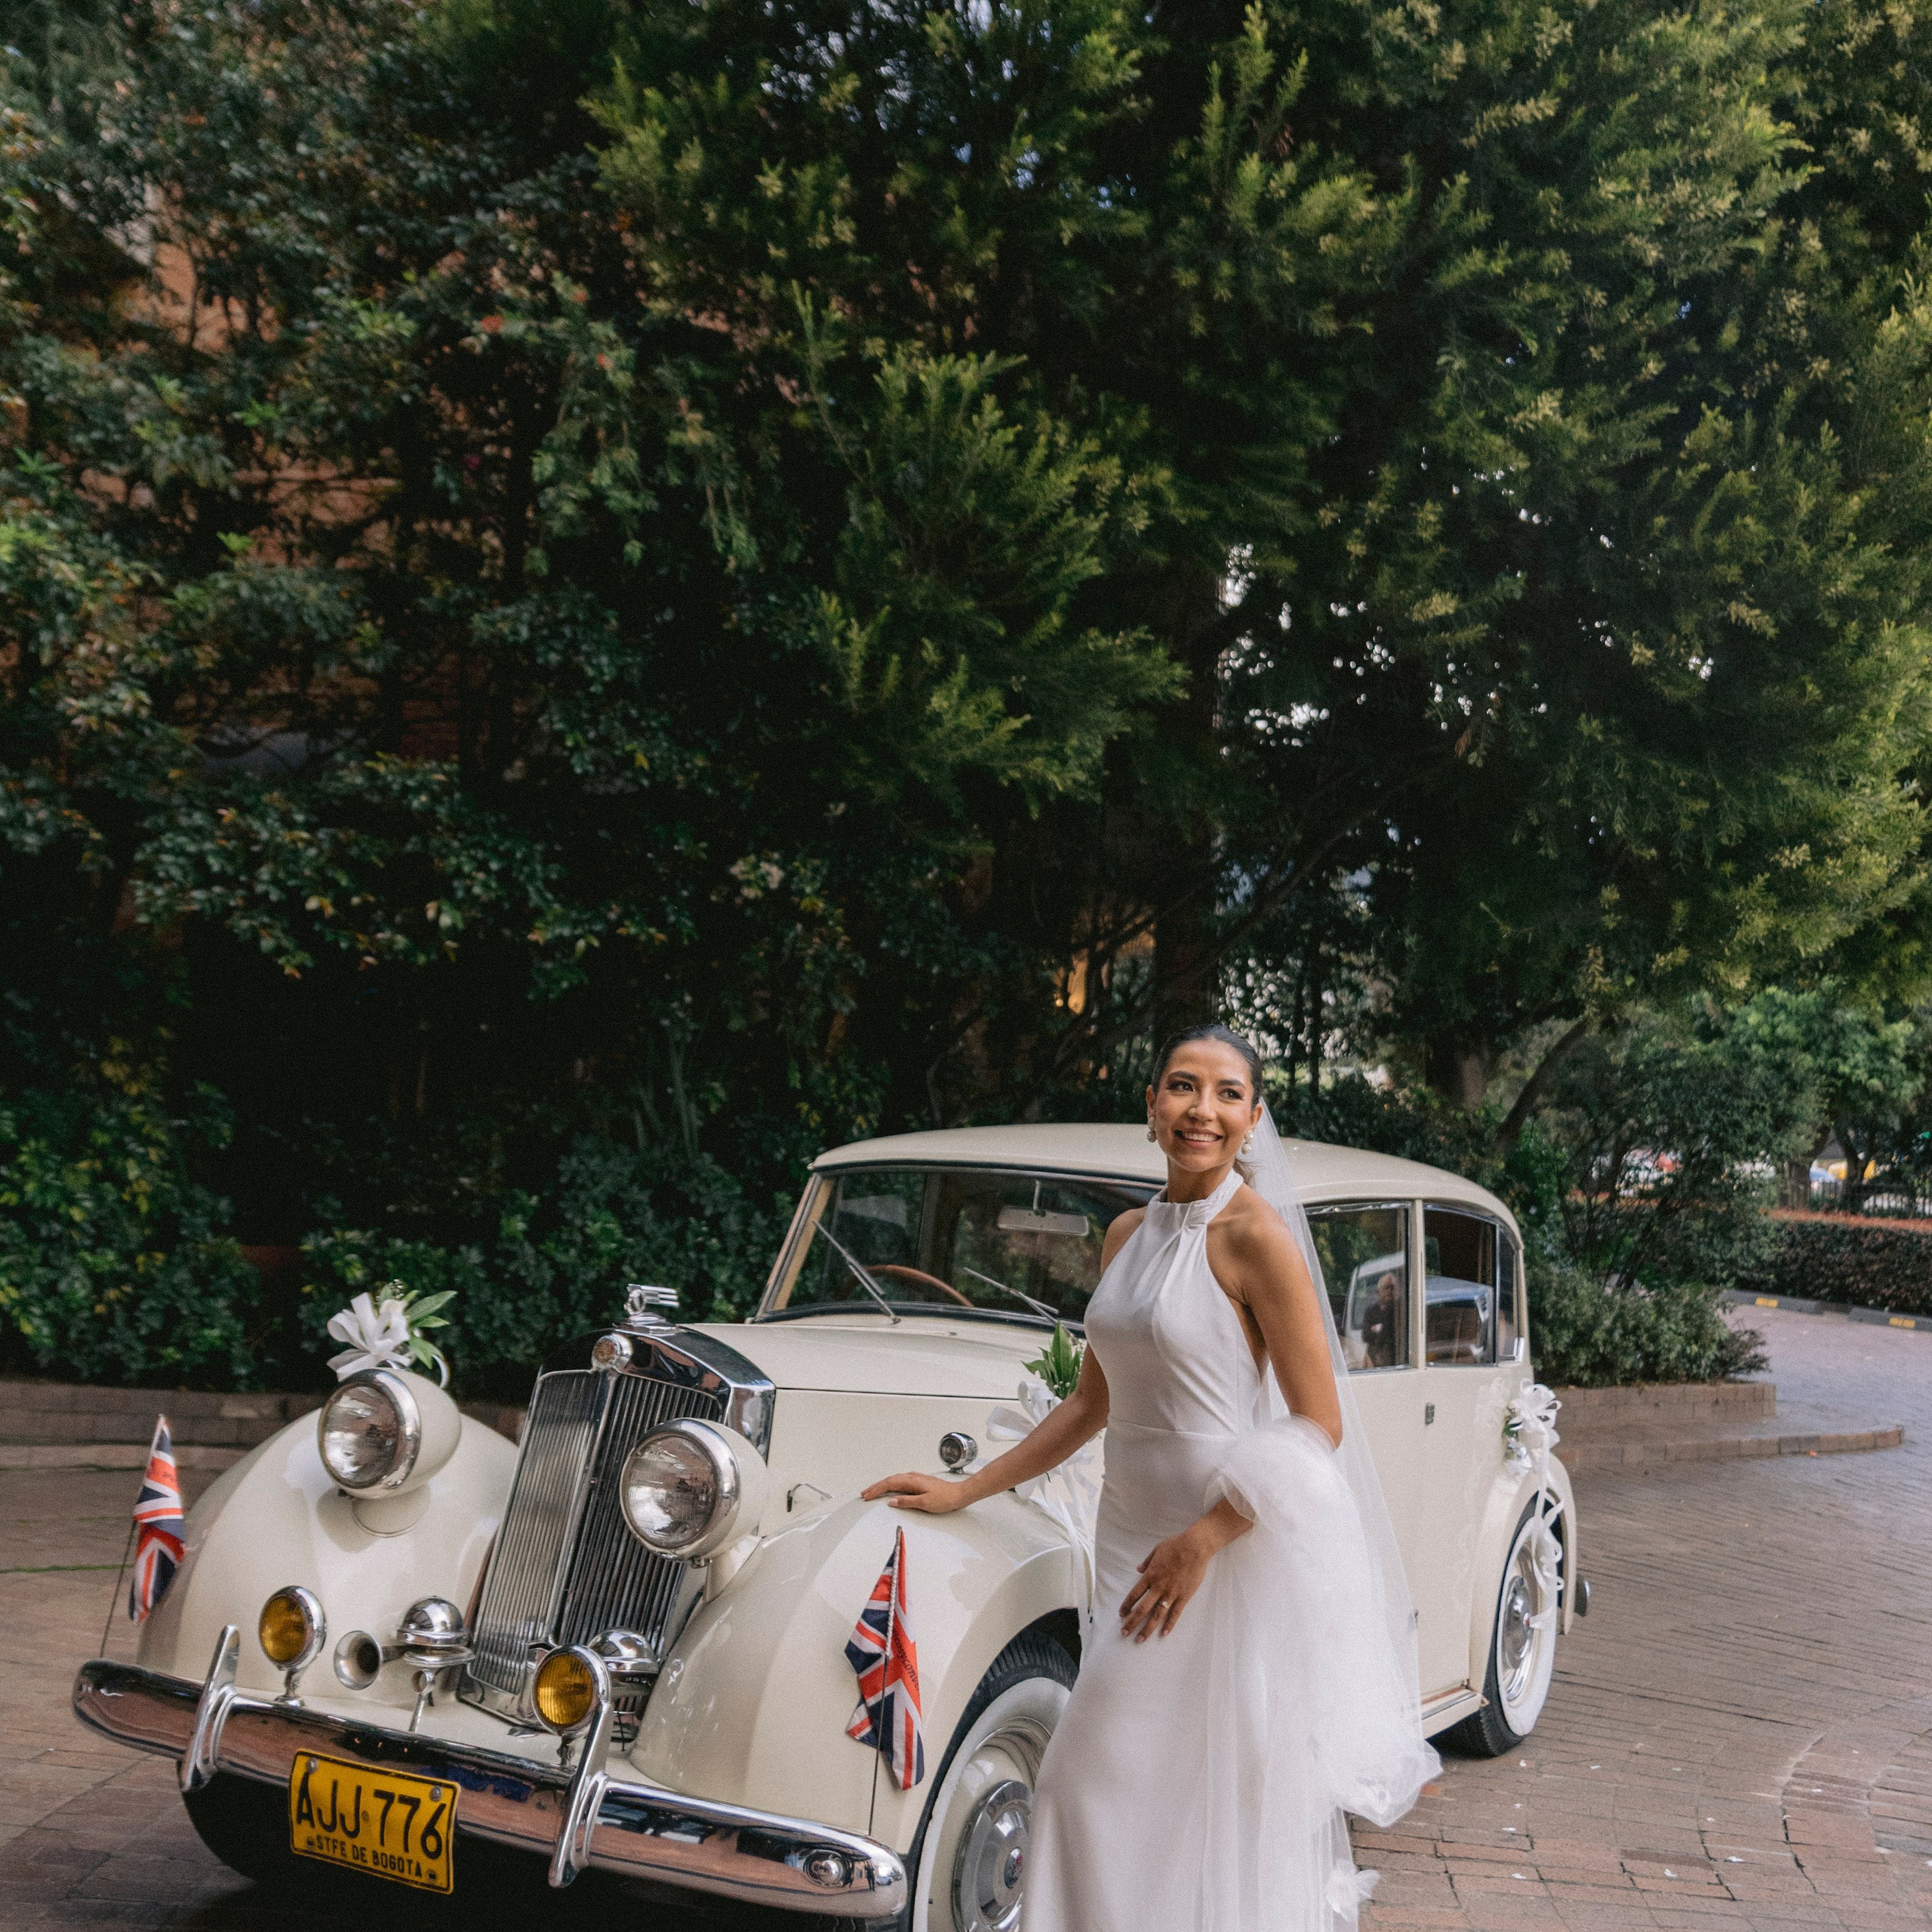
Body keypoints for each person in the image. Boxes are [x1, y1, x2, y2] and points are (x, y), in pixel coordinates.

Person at [863, 1023, 1438, 1930]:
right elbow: (1092, 1403)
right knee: (1143, 1792)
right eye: (1180, 1086)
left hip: (1212, 1552)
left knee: (1089, 1781)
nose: (1199, 1110)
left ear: (1253, 1117)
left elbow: (1317, 1423)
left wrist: (1204, 1542)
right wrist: (968, 1488)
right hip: (1127, 1534)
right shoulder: (1126, 1233)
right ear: (1151, 1106)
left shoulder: (1259, 1239)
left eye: (1224, 1094)